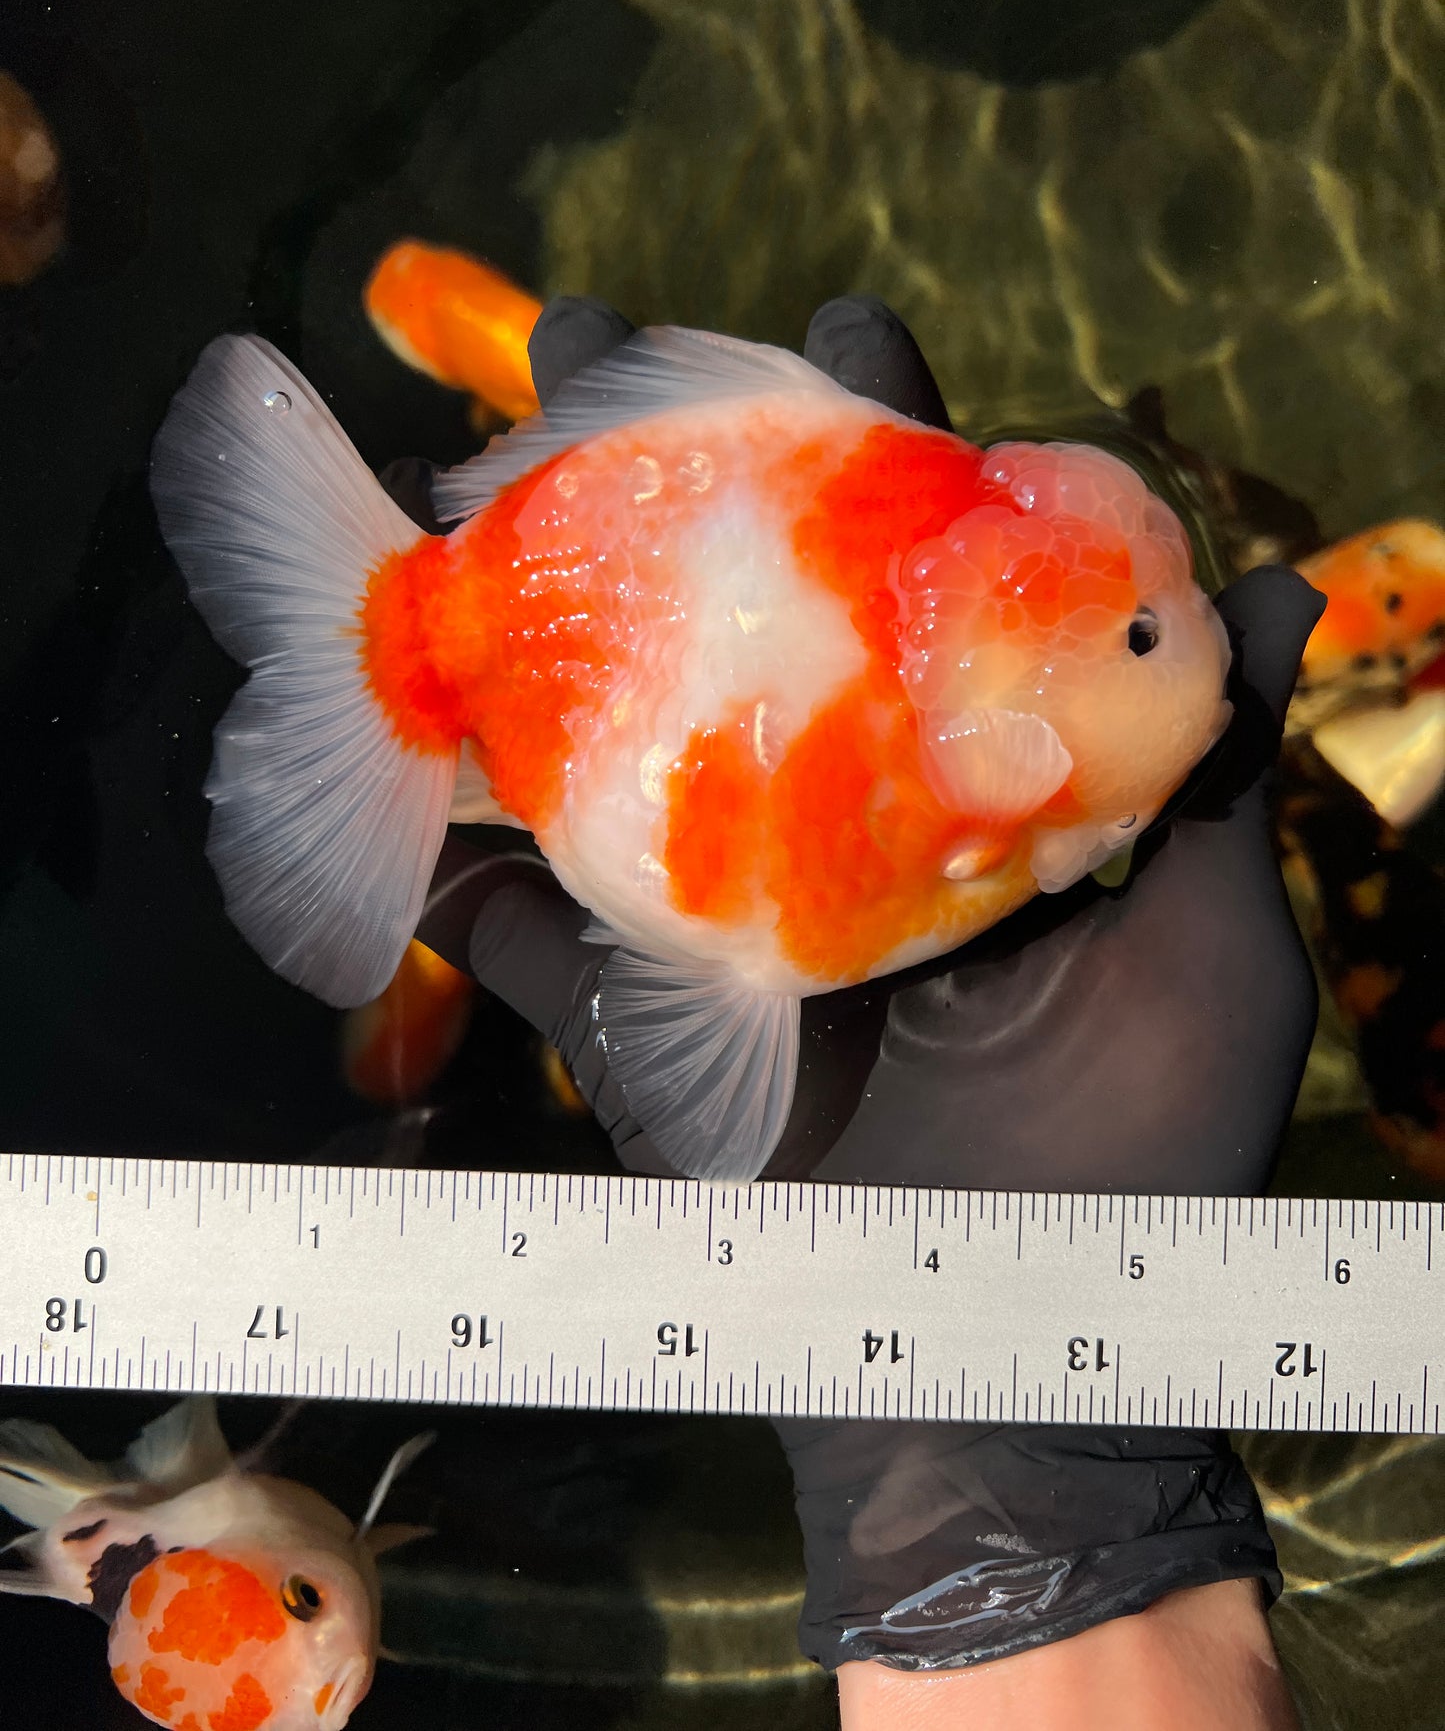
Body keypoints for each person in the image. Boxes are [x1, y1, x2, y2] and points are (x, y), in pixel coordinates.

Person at [407, 295, 1320, 1728]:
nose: (1184, 637)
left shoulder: (995, 802)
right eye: (1142, 633)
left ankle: (411, 645)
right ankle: (408, 643)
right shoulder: (990, 805)